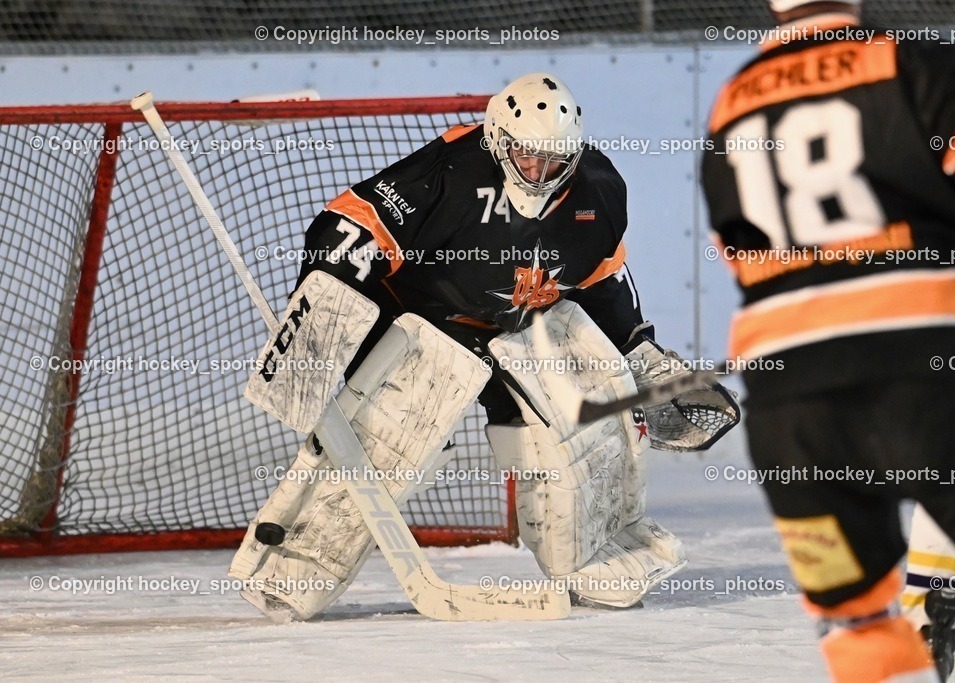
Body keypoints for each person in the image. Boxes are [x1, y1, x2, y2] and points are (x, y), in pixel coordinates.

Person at [229, 72, 738, 620]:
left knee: (592, 434)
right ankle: (292, 569)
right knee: (383, 444)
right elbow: (350, 223)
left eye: (552, 159)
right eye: (526, 157)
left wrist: (637, 346)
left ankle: (597, 557)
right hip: (428, 321)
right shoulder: (451, 169)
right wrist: (325, 306)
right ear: (498, 141)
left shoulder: (599, 188)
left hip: (528, 327)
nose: (539, 171)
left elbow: (603, 276)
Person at [701, 1, 955, 680]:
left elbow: (743, 255)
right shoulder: (923, 65)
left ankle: (919, 605)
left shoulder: (731, 106)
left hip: (790, 417)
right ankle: (943, 587)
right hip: (929, 379)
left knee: (862, 637)